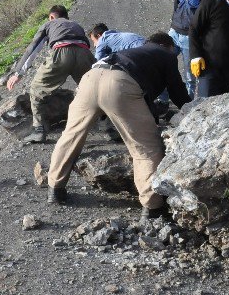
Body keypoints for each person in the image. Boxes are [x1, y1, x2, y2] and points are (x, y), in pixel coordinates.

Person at [46, 32, 191, 222]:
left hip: (90, 78)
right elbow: (177, 91)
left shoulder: (135, 51)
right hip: (119, 84)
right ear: (168, 46)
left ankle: (54, 189)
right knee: (145, 147)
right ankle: (152, 206)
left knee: (71, 136)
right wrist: (191, 111)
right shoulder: (166, 54)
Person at [3, 5, 94, 143]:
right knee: (94, 89)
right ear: (66, 16)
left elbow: (33, 48)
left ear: (52, 16)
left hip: (61, 53)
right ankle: (109, 126)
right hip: (84, 53)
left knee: (36, 89)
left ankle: (38, 130)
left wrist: (18, 72)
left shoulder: (49, 24)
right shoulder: (76, 25)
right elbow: (86, 44)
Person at [168, 0, 214, 95]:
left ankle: (188, 104)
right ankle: (163, 100)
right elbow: (177, 4)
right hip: (174, 32)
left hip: (191, 36)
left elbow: (210, 11)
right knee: (163, 62)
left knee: (190, 75)